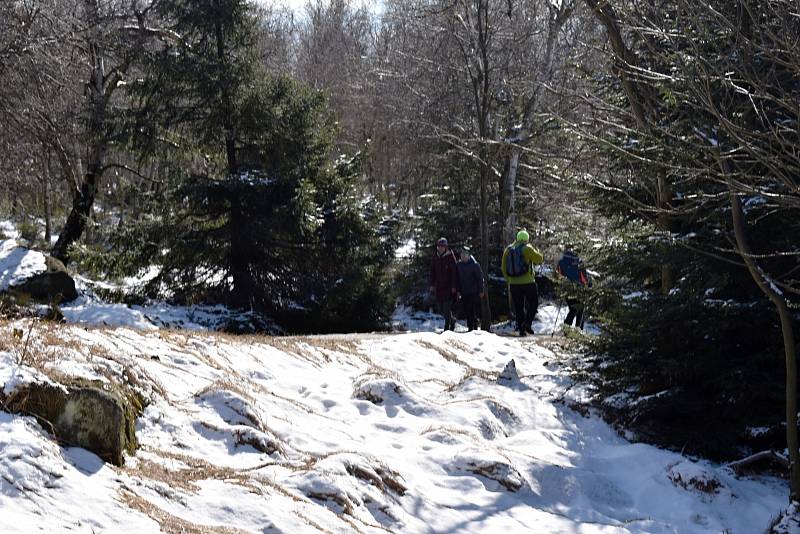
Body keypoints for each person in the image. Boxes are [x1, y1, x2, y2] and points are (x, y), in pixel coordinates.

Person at [502, 230, 544, 336]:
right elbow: (539, 259)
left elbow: (503, 267)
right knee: (533, 302)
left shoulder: (508, 249)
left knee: (518, 306)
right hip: (528, 282)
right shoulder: (527, 248)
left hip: (513, 284)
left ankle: (521, 330)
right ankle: (527, 323)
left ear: (516, 238)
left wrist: (510, 280)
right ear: (526, 239)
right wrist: (535, 250)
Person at [556, 247, 592, 329]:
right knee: (580, 309)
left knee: (573, 308)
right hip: (578, 288)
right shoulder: (578, 260)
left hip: (566, 288)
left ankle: (567, 328)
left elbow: (559, 273)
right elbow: (583, 277)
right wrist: (588, 284)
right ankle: (578, 329)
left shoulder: (561, 260)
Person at [429, 237, 458, 331]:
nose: (441, 248)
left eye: (443, 246)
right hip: (439, 287)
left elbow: (454, 273)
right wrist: (432, 284)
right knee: (440, 308)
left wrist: (454, 286)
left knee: (446, 308)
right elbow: (432, 272)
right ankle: (452, 321)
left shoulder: (450, 257)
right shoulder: (435, 257)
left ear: (446, 247)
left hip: (449, 287)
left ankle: (447, 328)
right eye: (439, 246)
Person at [456, 246, 484, 332]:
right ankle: (472, 325)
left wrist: (481, 291)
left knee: (471, 309)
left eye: (466, 254)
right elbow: (457, 279)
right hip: (464, 292)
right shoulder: (458, 265)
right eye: (462, 254)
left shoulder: (474, 265)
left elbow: (480, 278)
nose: (464, 256)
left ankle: (471, 328)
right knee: (467, 310)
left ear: (469, 255)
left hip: (474, 292)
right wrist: (458, 291)